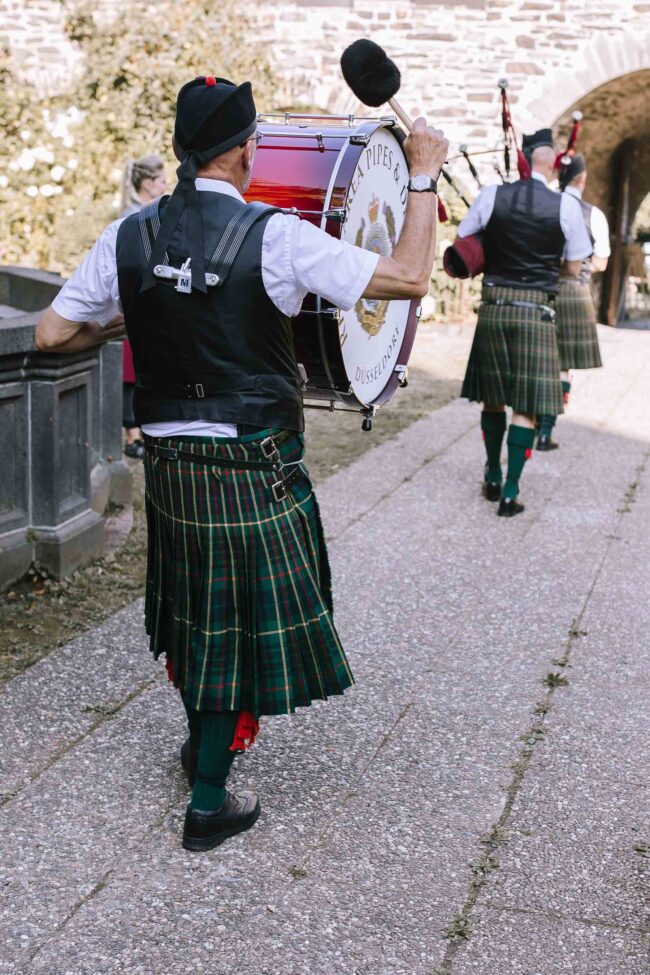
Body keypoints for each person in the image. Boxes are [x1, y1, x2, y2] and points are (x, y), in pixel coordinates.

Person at [36, 75, 448, 851]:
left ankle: (203, 747)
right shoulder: (278, 237)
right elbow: (408, 278)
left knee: (197, 611)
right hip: (250, 461)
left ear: (188, 153)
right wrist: (420, 174)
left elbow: (53, 336)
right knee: (227, 624)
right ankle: (208, 800)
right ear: (246, 150)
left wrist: (122, 320)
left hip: (170, 464)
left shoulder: (126, 236)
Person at [457, 128, 592, 517]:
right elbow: (574, 266)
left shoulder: (491, 196)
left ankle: (492, 473)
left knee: (494, 396)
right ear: (552, 163)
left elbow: (466, 240)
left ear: (523, 158)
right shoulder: (565, 206)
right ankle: (511, 491)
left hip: (495, 305)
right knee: (527, 404)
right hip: (537, 311)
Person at [536, 153, 610, 450]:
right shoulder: (595, 214)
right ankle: (545, 431)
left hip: (542, 287)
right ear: (582, 178)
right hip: (574, 291)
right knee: (563, 364)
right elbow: (602, 264)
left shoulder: (545, 205)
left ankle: (534, 421)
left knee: (540, 359)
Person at [120, 155, 169, 459]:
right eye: (162, 180)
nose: (166, 184)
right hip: (134, 302)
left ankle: (143, 431)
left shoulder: (154, 212)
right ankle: (131, 435)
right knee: (130, 371)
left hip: (152, 304)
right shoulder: (131, 217)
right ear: (149, 183)